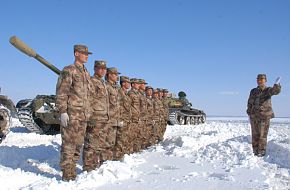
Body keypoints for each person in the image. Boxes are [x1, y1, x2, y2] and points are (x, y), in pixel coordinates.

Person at [56, 44, 92, 181]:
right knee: (69, 145)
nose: (87, 55)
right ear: (76, 53)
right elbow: (62, 92)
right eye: (84, 53)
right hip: (72, 115)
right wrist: (63, 111)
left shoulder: (86, 73)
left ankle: (72, 172)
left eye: (87, 53)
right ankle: (67, 175)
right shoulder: (68, 70)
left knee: (78, 145)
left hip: (83, 116)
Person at [83, 60, 109, 172]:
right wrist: (89, 117)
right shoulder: (92, 81)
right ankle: (88, 167)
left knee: (100, 144)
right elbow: (87, 99)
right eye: (100, 68)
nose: (103, 70)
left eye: (104, 69)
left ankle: (96, 165)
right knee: (91, 144)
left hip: (103, 118)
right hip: (95, 117)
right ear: (95, 69)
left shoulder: (102, 83)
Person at [247, 74, 281, 157]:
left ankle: (261, 151)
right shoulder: (253, 91)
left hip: (264, 116)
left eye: (262, 79)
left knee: (262, 135)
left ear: (265, 80)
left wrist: (277, 85)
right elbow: (249, 103)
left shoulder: (268, 90)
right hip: (254, 116)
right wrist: (249, 113)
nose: (260, 81)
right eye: (258, 79)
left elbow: (275, 91)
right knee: (255, 134)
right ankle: (255, 150)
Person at [105, 67, 121, 160]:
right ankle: (105, 161)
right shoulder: (106, 86)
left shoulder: (114, 88)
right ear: (110, 75)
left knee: (112, 142)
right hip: (108, 119)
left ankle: (109, 160)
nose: (117, 76)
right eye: (115, 74)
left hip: (115, 119)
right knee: (107, 142)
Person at [114, 76, 132, 159]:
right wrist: (119, 119)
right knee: (120, 140)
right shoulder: (119, 92)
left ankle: (122, 157)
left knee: (125, 139)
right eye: (128, 83)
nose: (129, 84)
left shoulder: (126, 93)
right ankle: (117, 158)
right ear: (123, 83)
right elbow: (117, 106)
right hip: (121, 119)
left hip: (127, 119)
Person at [128, 78, 141, 153]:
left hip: (137, 118)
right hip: (132, 118)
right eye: (137, 83)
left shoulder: (137, 94)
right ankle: (130, 151)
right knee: (131, 136)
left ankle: (134, 151)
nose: (138, 85)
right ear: (133, 85)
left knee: (136, 135)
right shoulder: (130, 93)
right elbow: (128, 106)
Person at [138, 79, 149, 149]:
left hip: (143, 117)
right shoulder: (137, 94)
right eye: (143, 84)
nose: (145, 86)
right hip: (138, 118)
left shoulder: (143, 95)